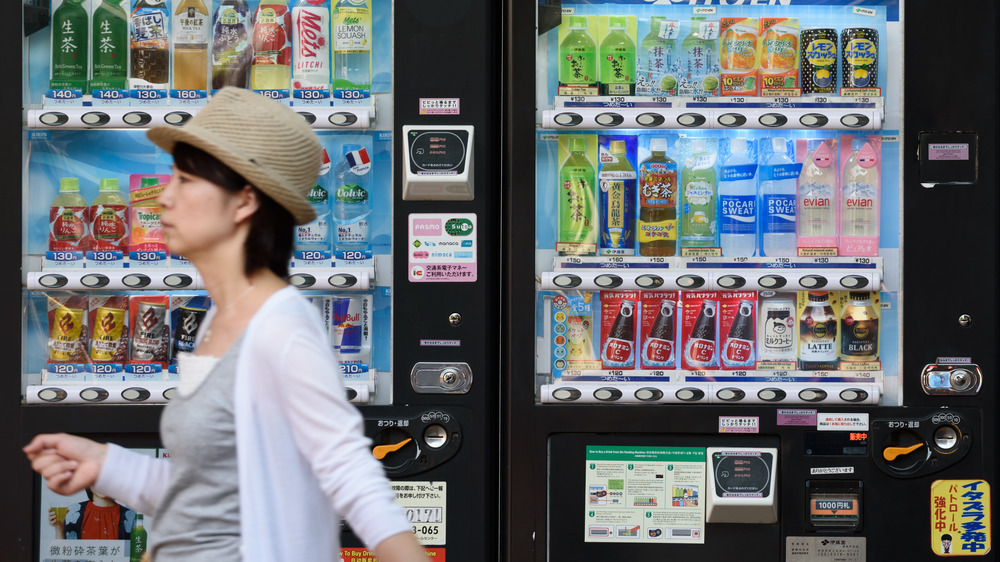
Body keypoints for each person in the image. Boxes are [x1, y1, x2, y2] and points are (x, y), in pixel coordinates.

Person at [24, 88, 428, 562]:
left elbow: (351, 476)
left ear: (243, 203)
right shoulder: (216, 320)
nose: (163, 200)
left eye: (184, 182)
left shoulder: (282, 328)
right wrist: (103, 463)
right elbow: (206, 494)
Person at [49, 488, 137, 540]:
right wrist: (59, 528)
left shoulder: (130, 516)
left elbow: (136, 555)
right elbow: (63, 554)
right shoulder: (73, 511)